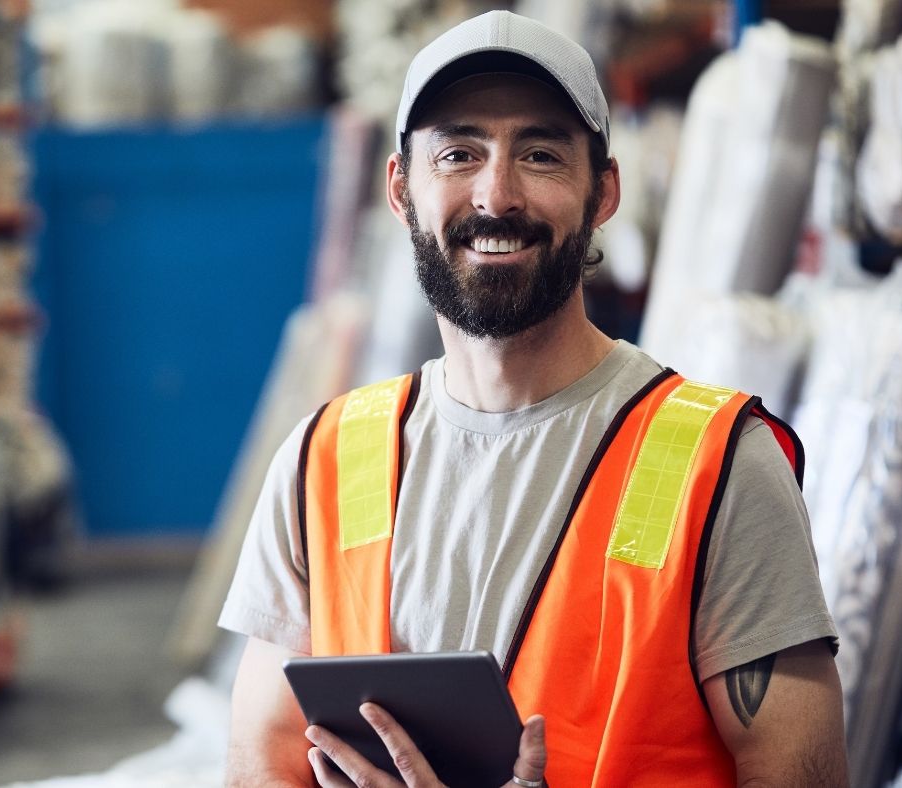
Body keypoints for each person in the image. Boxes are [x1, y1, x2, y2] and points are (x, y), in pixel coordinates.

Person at [218, 10, 846, 788]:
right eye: (458, 153)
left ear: (603, 191)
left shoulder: (716, 465)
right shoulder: (326, 460)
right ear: (400, 188)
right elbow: (263, 765)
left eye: (541, 154)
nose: (497, 194)